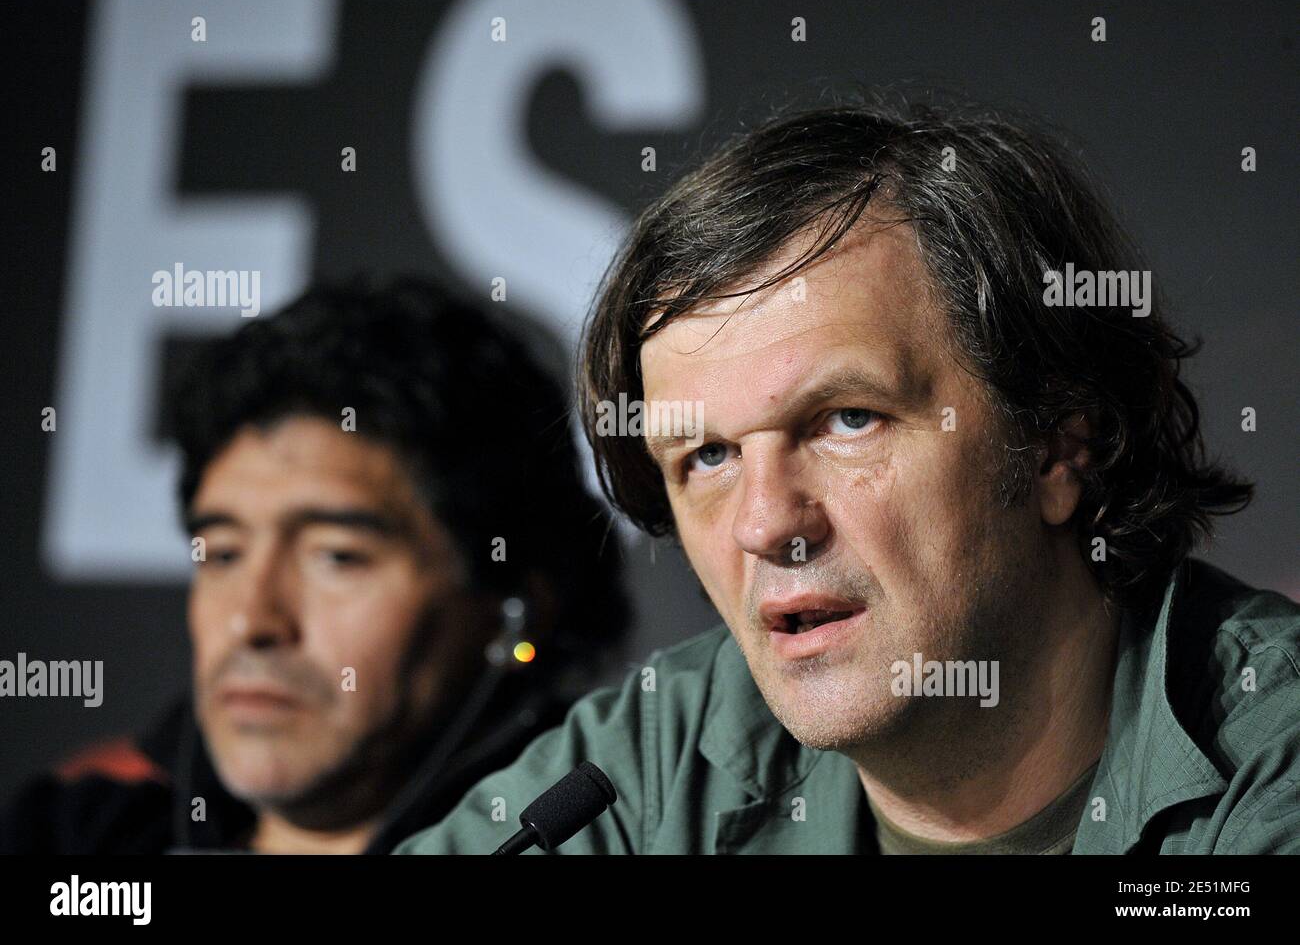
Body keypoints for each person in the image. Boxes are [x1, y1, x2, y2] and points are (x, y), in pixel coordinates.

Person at [395, 98, 1300, 854]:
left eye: (845, 421)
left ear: (1062, 445)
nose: (765, 522)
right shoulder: (657, 759)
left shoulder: (1273, 748)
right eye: (707, 455)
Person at [1, 278, 630, 853]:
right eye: (222, 553)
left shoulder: (617, 836)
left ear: (512, 609)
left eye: (336, 557)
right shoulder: (67, 838)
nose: (252, 620)